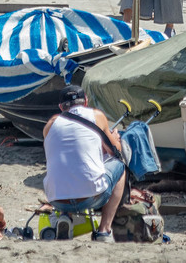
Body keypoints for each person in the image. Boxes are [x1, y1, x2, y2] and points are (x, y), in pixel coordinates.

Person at [42, 85, 128, 243]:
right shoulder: (97, 116)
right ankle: (104, 231)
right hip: (90, 198)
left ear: (61, 107)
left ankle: (65, 217)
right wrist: (115, 138)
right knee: (120, 167)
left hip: (56, 199)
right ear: (86, 101)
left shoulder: (50, 125)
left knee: (65, 165)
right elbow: (115, 151)